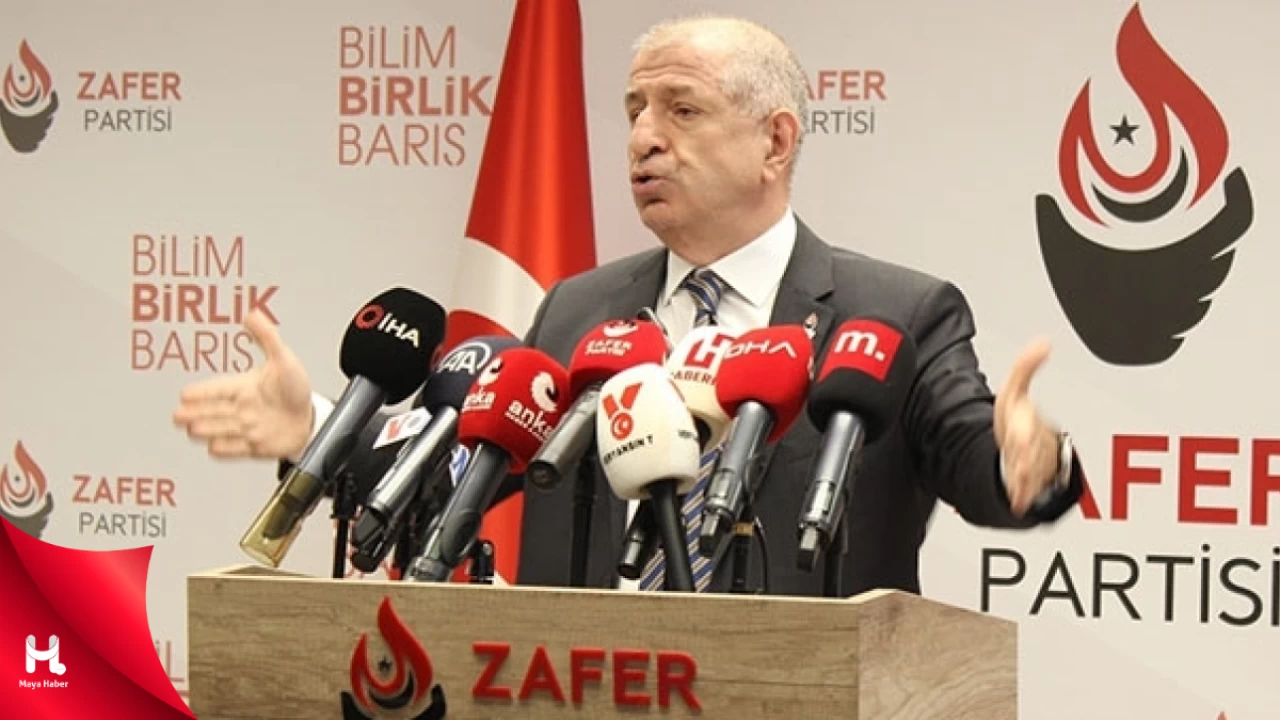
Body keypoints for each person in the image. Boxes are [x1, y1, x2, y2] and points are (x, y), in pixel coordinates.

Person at [173, 14, 1083, 597]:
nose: (643, 137)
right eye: (635, 107)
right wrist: (319, 429)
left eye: (681, 110)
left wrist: (1030, 460)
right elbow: (456, 482)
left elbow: (984, 470)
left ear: (775, 143)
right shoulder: (579, 309)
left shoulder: (896, 312)